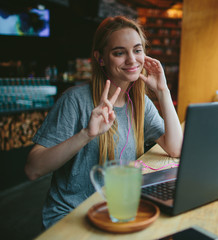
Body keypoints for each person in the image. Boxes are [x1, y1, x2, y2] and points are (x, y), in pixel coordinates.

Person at [24, 16, 183, 229]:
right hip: (71, 217)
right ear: (100, 58)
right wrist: (86, 134)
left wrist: (162, 91)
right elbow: (33, 169)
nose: (131, 60)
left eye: (137, 50)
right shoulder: (75, 100)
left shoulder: (139, 101)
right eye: (119, 52)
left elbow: (175, 148)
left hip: (115, 211)